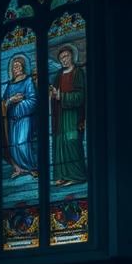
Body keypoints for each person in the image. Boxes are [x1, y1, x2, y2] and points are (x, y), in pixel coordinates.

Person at [49, 44, 87, 185]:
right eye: (61, 58)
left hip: (73, 116)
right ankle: (62, 175)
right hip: (59, 115)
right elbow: (55, 95)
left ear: (72, 56)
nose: (64, 60)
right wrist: (53, 95)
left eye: (66, 56)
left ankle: (76, 175)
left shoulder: (78, 72)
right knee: (60, 144)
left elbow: (80, 96)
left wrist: (61, 96)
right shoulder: (58, 75)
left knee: (72, 143)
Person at [2, 54, 37, 179]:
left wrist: (20, 104)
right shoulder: (10, 85)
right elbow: (4, 103)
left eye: (18, 66)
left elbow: (33, 100)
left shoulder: (28, 81)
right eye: (13, 67)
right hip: (12, 120)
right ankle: (18, 168)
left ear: (23, 67)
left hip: (24, 118)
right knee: (14, 145)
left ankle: (31, 167)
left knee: (22, 142)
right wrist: (11, 100)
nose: (15, 69)